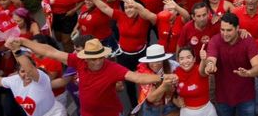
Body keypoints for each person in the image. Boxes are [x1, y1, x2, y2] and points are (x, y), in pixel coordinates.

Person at [14, 37, 178, 116]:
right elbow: (51, 51)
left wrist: (162, 79)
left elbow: (137, 78)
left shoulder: (113, 67)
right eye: (94, 58)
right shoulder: (78, 61)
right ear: (86, 58)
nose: (99, 61)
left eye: (101, 56)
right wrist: (23, 42)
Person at [0, 37, 67, 116]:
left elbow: (30, 70)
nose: (26, 74)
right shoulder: (14, 80)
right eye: (22, 71)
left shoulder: (40, 77)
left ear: (35, 68)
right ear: (17, 72)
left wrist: (15, 49)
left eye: (27, 70)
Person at [205, 12, 258, 116]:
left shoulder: (247, 40)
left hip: (246, 96)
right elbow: (211, 58)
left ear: (237, 28)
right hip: (223, 97)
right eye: (222, 30)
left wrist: (249, 72)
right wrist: (210, 65)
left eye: (229, 30)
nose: (225, 34)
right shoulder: (215, 41)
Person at [136, 44, 178, 116]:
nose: (155, 64)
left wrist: (176, 99)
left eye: (158, 61)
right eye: (152, 61)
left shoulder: (174, 66)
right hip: (151, 109)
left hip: (170, 106)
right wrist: (164, 86)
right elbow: (151, 98)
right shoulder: (143, 72)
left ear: (163, 60)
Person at [175, 45, 216, 116]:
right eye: (181, 58)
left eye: (188, 57)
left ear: (194, 59)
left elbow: (202, 70)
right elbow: (169, 93)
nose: (185, 61)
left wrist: (203, 60)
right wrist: (175, 101)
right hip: (186, 113)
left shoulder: (199, 69)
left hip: (207, 112)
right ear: (178, 61)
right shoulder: (175, 73)